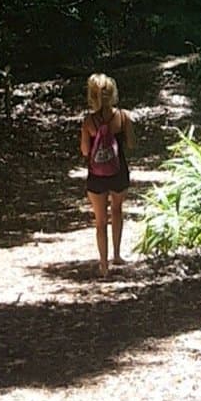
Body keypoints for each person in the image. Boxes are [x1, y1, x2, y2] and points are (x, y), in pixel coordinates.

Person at [81, 73, 133, 276]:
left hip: (96, 176)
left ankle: (103, 264)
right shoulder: (123, 116)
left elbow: (85, 151)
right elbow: (131, 143)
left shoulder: (88, 122)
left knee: (100, 221)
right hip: (119, 172)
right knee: (117, 211)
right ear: (113, 94)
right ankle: (117, 255)